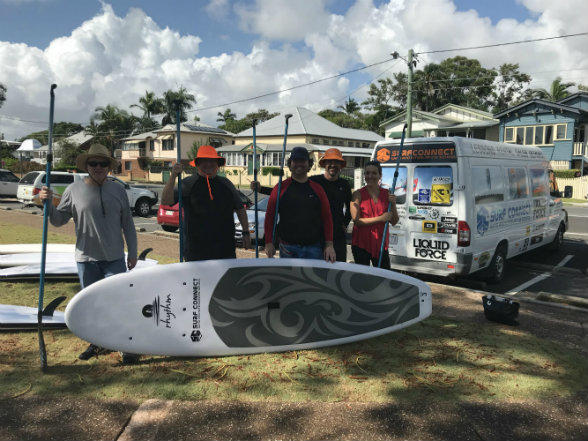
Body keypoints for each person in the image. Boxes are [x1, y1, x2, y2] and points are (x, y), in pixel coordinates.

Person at [39, 143, 139, 364]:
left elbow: (128, 225)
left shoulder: (118, 190)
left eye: (103, 163)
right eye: (93, 163)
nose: (98, 167)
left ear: (108, 166)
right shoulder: (73, 190)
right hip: (86, 259)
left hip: (114, 258)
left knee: (118, 301)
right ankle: (96, 343)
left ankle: (123, 344)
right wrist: (47, 204)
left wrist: (132, 252)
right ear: (87, 165)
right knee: (92, 304)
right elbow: (58, 220)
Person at [252, 147, 351, 262]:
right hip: (288, 248)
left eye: (302, 161)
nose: (299, 164)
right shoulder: (281, 188)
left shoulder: (319, 188)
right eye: (295, 161)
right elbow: (270, 216)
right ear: (290, 164)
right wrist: (268, 242)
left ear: (309, 164)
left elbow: (328, 217)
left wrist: (330, 243)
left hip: (315, 246)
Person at [160, 145, 250, 261]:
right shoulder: (187, 184)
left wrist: (246, 232)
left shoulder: (226, 184)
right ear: (197, 164)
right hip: (196, 252)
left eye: (212, 161)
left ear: (217, 164)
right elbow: (166, 201)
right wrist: (173, 175)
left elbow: (240, 209)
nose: (209, 164)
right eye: (204, 161)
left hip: (225, 251)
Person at [350, 160, 399, 269]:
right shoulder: (357, 194)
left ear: (380, 175)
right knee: (363, 279)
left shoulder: (387, 194)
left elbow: (394, 221)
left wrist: (393, 204)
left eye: (374, 173)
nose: (370, 176)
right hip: (361, 244)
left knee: (384, 277)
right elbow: (356, 220)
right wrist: (380, 218)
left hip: (380, 244)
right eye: (367, 173)